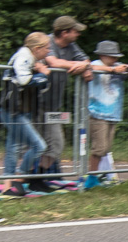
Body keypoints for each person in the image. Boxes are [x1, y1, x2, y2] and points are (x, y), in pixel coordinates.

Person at [0, 32, 51, 196]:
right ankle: (19, 177)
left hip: (22, 109)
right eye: (47, 48)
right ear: (37, 48)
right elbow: (24, 80)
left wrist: (41, 75)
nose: (48, 51)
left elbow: (42, 88)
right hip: (12, 110)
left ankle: (8, 187)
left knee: (12, 147)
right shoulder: (24, 56)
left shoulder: (33, 58)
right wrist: (43, 74)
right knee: (39, 146)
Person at [39, 16, 94, 174]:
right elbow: (54, 62)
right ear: (64, 33)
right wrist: (81, 65)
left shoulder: (72, 45)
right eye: (75, 31)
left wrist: (86, 66)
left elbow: (85, 60)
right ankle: (21, 179)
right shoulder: (46, 42)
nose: (78, 34)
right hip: (35, 104)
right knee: (32, 144)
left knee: (57, 143)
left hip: (54, 105)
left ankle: (39, 179)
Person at [86, 41, 128, 188]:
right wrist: (112, 70)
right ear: (103, 55)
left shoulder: (117, 66)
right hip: (97, 113)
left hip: (113, 113)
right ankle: (91, 177)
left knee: (106, 148)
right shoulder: (96, 64)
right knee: (99, 147)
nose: (115, 60)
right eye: (112, 57)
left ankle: (102, 176)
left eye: (116, 57)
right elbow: (91, 67)